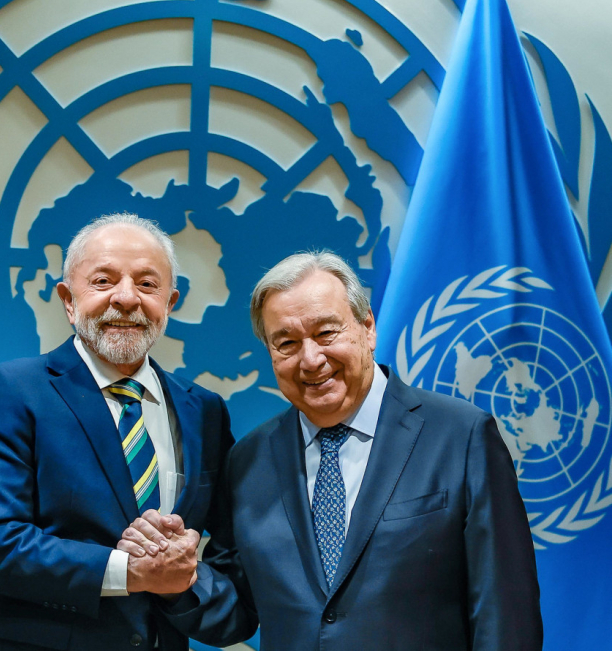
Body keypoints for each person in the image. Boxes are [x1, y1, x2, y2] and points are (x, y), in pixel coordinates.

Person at [122, 250, 543, 650]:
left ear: (367, 327)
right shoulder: (249, 460)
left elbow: (506, 616)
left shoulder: (462, 436)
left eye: (326, 333)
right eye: (286, 343)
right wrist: (180, 579)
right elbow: (239, 609)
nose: (310, 359)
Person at [0, 213, 234, 651]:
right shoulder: (9, 391)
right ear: (68, 299)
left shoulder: (204, 412)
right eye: (103, 281)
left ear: (170, 303)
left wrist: (177, 585)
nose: (127, 298)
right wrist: (131, 572)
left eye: (147, 284)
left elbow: (227, 553)